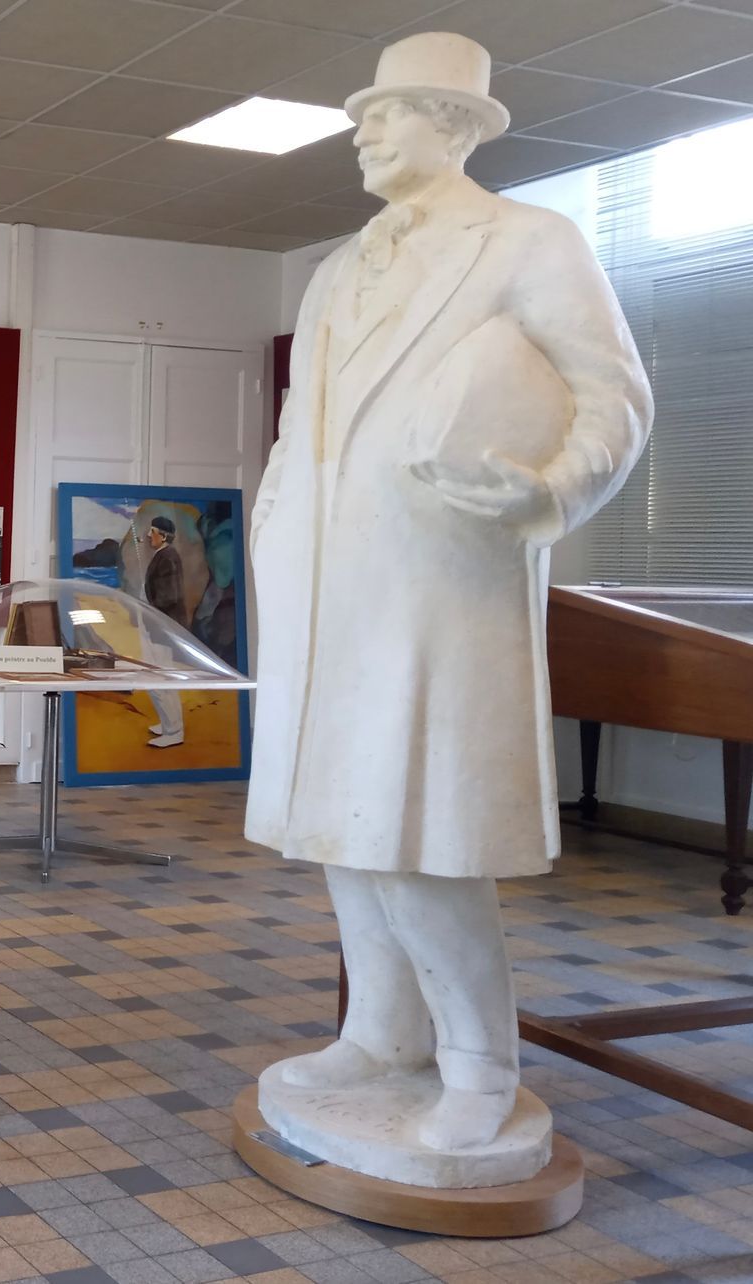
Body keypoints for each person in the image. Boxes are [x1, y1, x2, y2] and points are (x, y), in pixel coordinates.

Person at [248, 32, 650, 1159]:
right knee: (345, 825)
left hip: (443, 583)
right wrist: (275, 529)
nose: (364, 131)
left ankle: (479, 1059)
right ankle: (381, 1034)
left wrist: (551, 488)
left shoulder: (529, 241)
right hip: (324, 588)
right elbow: (299, 428)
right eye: (361, 114)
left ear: (458, 124)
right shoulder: (337, 267)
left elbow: (616, 396)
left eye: (391, 111)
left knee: (426, 832)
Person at [140, 517, 187, 748]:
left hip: (162, 628)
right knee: (155, 677)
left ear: (164, 536)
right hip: (156, 626)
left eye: (153, 531)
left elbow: (170, 596)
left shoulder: (168, 557)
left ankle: (174, 731)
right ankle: (168, 723)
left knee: (160, 679)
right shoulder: (164, 555)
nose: (149, 536)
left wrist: (148, 611)